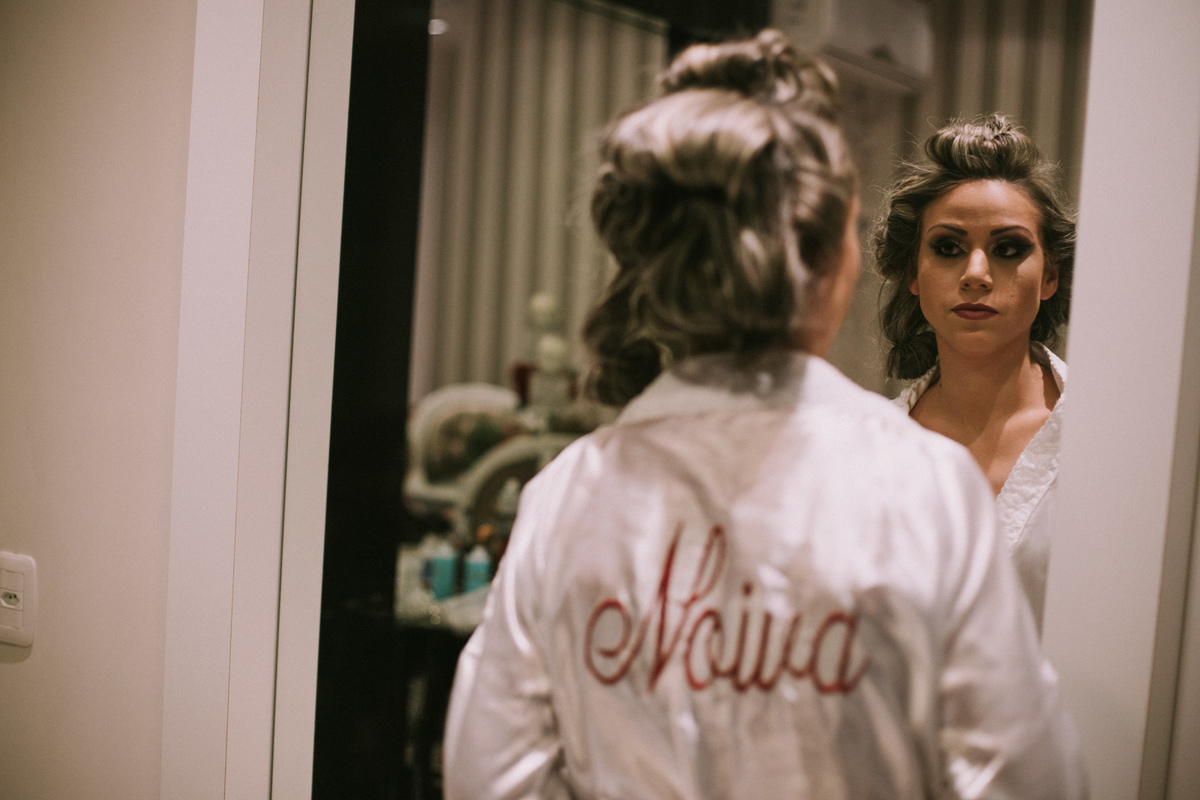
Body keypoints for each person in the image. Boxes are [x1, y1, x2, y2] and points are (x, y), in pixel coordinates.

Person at [444, 32, 1085, 799]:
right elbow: (1027, 782)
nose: (976, 273)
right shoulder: (923, 485)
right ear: (837, 260)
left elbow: (489, 781)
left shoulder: (564, 498)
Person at [876, 114, 1074, 631]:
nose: (976, 275)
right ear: (914, 273)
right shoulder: (868, 449)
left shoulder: (1103, 440)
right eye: (948, 248)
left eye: (1009, 249)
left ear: (1050, 275)